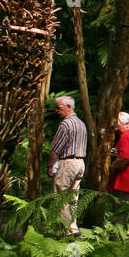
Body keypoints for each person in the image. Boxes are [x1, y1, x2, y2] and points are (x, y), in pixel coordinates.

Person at [48, 95, 88, 238]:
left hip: (68, 162)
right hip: (80, 163)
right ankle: (73, 228)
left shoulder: (66, 124)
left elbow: (56, 148)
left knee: (60, 196)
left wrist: (51, 165)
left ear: (69, 107)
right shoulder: (81, 124)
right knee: (73, 198)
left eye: (59, 108)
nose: (56, 111)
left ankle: (64, 231)